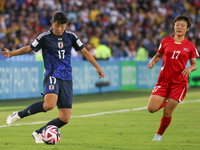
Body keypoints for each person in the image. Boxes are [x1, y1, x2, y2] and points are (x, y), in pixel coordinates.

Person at [2, 11, 104, 143]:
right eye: (57, 25)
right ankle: (18, 115)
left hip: (67, 78)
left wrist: (97, 66)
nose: (60, 28)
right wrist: (12, 53)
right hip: (52, 75)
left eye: (62, 25)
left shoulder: (71, 36)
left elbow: (85, 51)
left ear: (66, 24)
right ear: (52, 23)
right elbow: (29, 48)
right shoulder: (44, 37)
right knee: (49, 105)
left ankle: (39, 132)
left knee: (65, 118)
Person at [147, 15, 199, 141]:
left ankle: (158, 135)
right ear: (174, 26)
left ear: (187, 29)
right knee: (151, 109)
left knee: (167, 113)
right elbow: (159, 55)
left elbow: (194, 65)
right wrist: (153, 60)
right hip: (164, 80)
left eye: (182, 26)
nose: (179, 27)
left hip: (179, 83)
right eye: (177, 25)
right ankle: (166, 101)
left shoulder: (190, 46)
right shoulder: (165, 41)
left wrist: (189, 68)